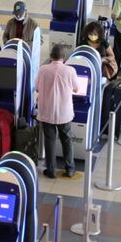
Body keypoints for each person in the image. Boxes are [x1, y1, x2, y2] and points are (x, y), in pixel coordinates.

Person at [36, 44, 80, 179]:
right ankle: (70, 169)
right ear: (64, 58)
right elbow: (77, 89)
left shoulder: (43, 69)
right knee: (67, 140)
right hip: (64, 113)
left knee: (49, 141)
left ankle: (51, 170)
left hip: (47, 111)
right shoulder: (70, 70)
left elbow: (37, 87)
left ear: (50, 57)